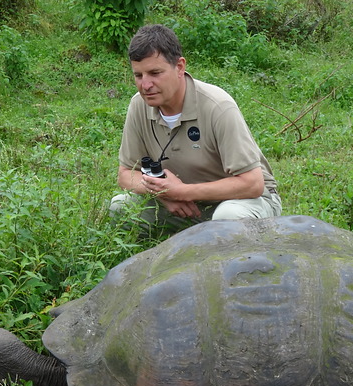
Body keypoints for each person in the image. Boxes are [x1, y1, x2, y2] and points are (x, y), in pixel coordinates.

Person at [110, 24, 282, 239]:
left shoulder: (218, 106)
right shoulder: (138, 105)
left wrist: (181, 192)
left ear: (180, 67)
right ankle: (179, 248)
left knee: (228, 217)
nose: (146, 85)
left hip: (240, 201)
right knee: (121, 207)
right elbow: (126, 175)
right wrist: (164, 194)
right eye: (138, 75)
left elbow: (252, 184)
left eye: (155, 73)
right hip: (183, 204)